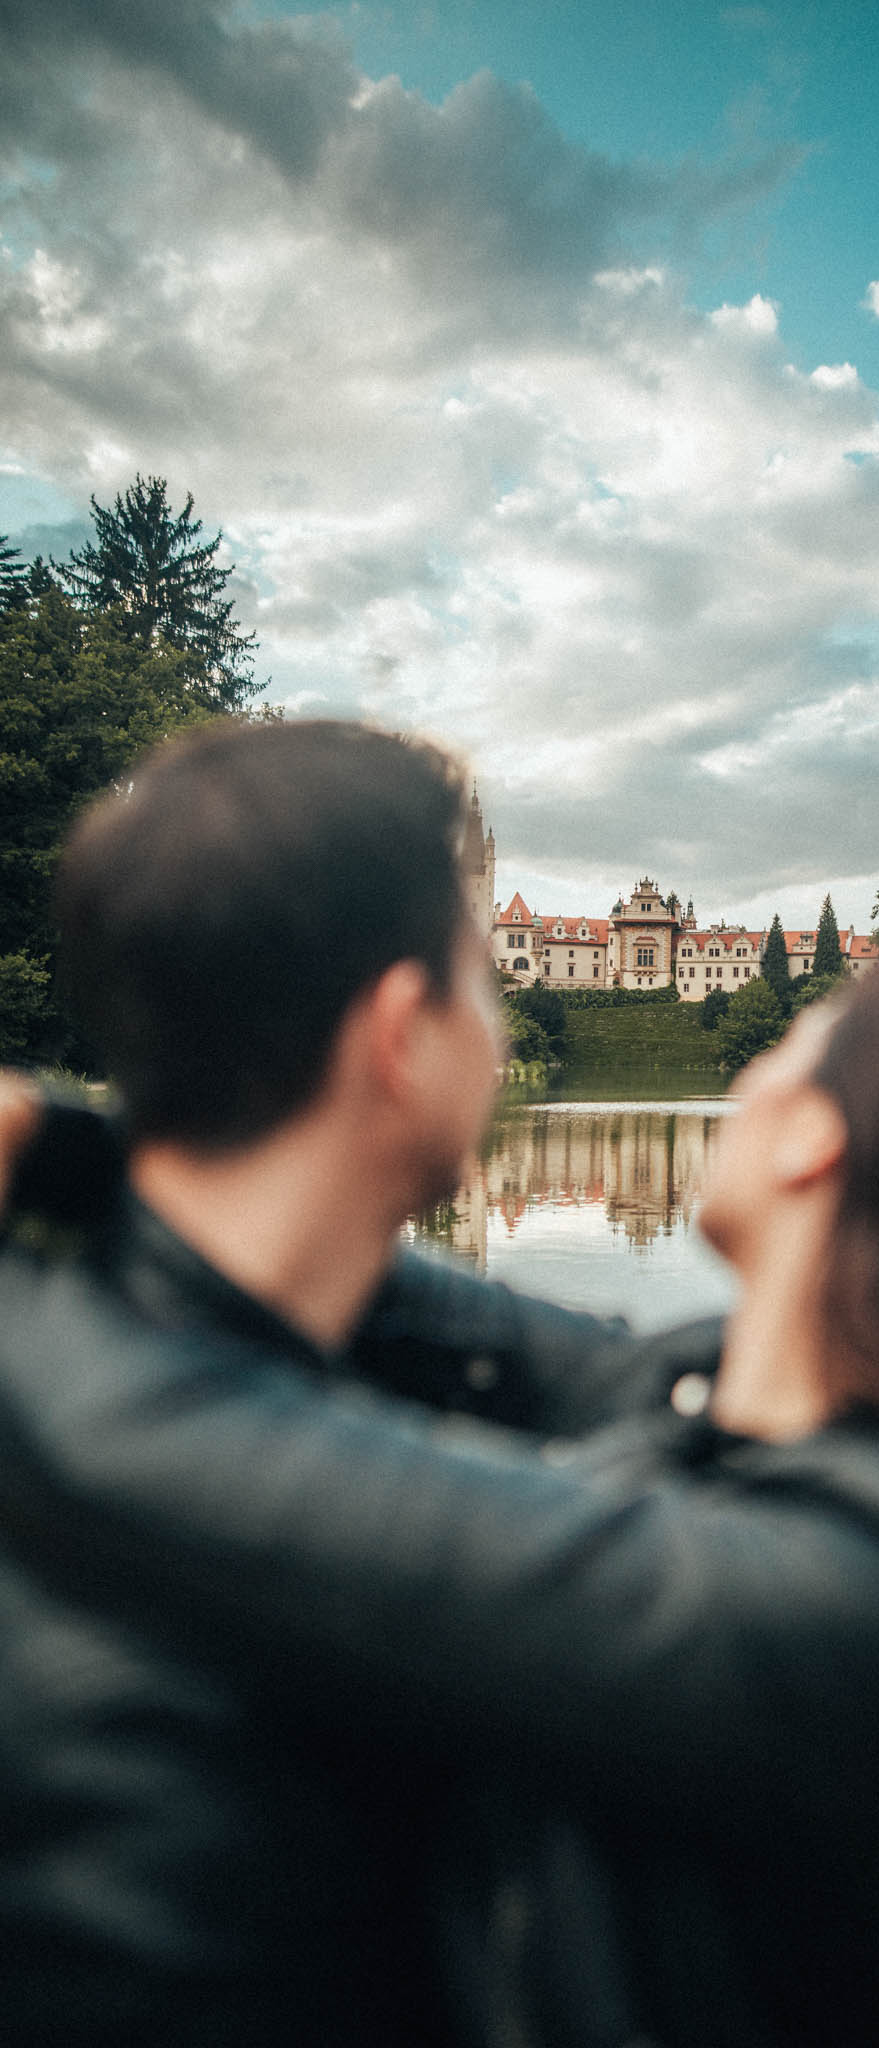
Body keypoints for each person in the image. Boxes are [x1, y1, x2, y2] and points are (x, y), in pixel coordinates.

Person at [0, 774, 879, 2048]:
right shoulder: (736, 1406)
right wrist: (69, 1152)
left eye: (796, 1035)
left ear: (816, 1141)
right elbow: (445, 1325)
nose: (749, 1058)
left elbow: (171, 1448)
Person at [0, 718, 719, 2047]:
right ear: (403, 1034)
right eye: (481, 983)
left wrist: (85, 1160)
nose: (503, 1028)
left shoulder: (79, 1335)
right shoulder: (249, 1592)